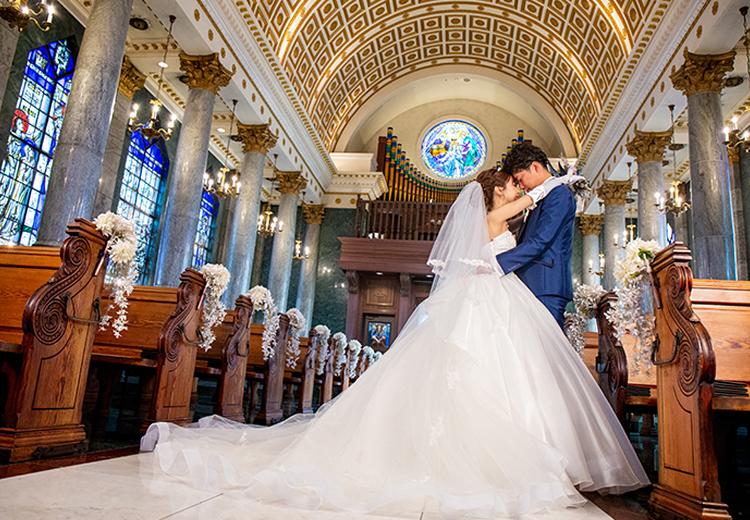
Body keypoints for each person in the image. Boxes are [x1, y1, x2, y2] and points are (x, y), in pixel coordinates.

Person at [141, 168, 649, 519]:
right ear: (497, 193)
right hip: (490, 294)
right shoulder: (496, 214)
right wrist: (557, 183)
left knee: (488, 373)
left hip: (492, 293)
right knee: (481, 373)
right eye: (510, 186)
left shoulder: (492, 217)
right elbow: (530, 204)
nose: (517, 191)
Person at [496, 142, 576, 330]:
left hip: (546, 285)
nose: (521, 186)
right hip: (532, 285)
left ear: (535, 166)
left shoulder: (559, 194)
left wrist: (496, 263)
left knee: (548, 352)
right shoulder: (541, 196)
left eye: (520, 178)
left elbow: (541, 241)